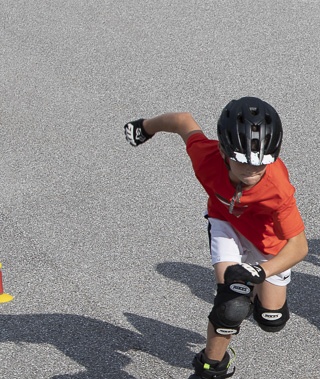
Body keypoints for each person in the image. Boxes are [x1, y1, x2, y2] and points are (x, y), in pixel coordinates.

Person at [123, 97, 309, 378]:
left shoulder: (278, 190)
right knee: (230, 306)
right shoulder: (206, 155)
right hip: (227, 225)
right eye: (243, 164)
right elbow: (183, 121)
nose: (253, 173)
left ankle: (256, 301)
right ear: (223, 150)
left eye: (261, 165)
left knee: (272, 321)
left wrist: (261, 271)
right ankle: (211, 368)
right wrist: (146, 128)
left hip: (269, 245)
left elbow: (299, 246)